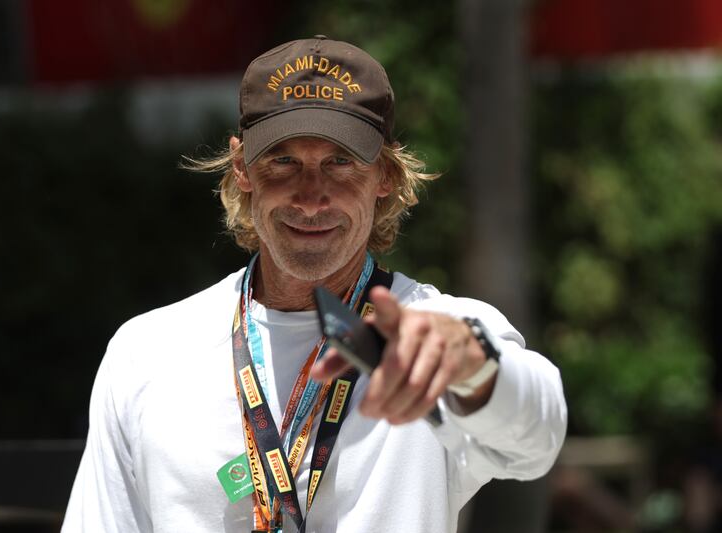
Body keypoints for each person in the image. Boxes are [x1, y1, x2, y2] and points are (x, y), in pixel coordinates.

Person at [62, 36, 567, 533]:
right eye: (283, 160)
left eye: (340, 161)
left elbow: (538, 436)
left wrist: (474, 365)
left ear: (385, 173)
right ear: (242, 167)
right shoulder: (148, 351)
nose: (310, 197)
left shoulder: (436, 338)